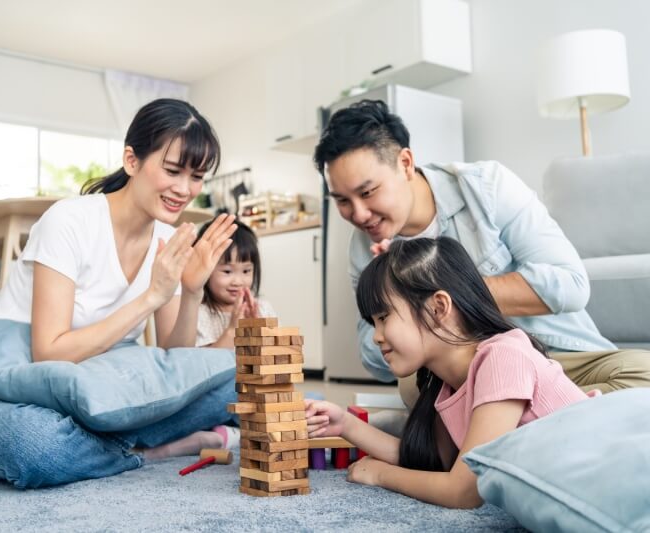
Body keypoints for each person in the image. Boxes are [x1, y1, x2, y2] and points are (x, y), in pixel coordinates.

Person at [0, 98, 241, 489]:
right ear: (132, 161)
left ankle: (106, 445)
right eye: (172, 170)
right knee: (38, 446)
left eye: (196, 176)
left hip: (99, 397)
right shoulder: (69, 220)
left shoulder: (167, 237)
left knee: (237, 381)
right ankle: (149, 450)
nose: (185, 189)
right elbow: (49, 351)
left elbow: (174, 359)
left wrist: (191, 290)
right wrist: (150, 297)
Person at [313, 99, 650, 405]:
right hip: (463, 377)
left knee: (643, 374)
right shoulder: (362, 248)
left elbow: (571, 284)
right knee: (412, 389)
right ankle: (551, 417)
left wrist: (434, 292)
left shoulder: (488, 187)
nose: (357, 214)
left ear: (404, 162)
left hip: (555, 358)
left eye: (368, 192)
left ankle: (520, 418)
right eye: (342, 200)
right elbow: (376, 361)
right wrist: (389, 299)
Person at [306, 237, 596, 508]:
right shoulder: (447, 383)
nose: (376, 337)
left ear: (439, 307)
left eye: (384, 317)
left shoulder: (503, 356)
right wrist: (345, 425)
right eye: (374, 323)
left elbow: (464, 492)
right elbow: (435, 465)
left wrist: (382, 475)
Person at [194, 218, 276, 348]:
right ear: (206, 270)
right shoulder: (199, 314)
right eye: (227, 271)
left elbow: (279, 357)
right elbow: (206, 365)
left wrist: (260, 331)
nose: (238, 282)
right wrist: (233, 330)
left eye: (246, 271)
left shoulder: (263, 308)